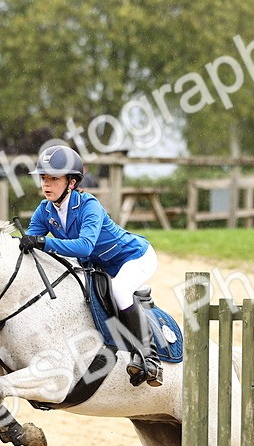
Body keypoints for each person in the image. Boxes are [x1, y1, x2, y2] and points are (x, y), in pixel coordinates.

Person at [20, 144, 162, 387]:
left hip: (133, 257)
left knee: (119, 290)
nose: (46, 184)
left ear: (71, 183)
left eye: (54, 178)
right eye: (44, 178)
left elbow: (85, 247)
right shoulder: (44, 211)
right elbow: (29, 243)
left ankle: (150, 357)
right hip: (99, 266)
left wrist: (44, 242)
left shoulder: (89, 205)